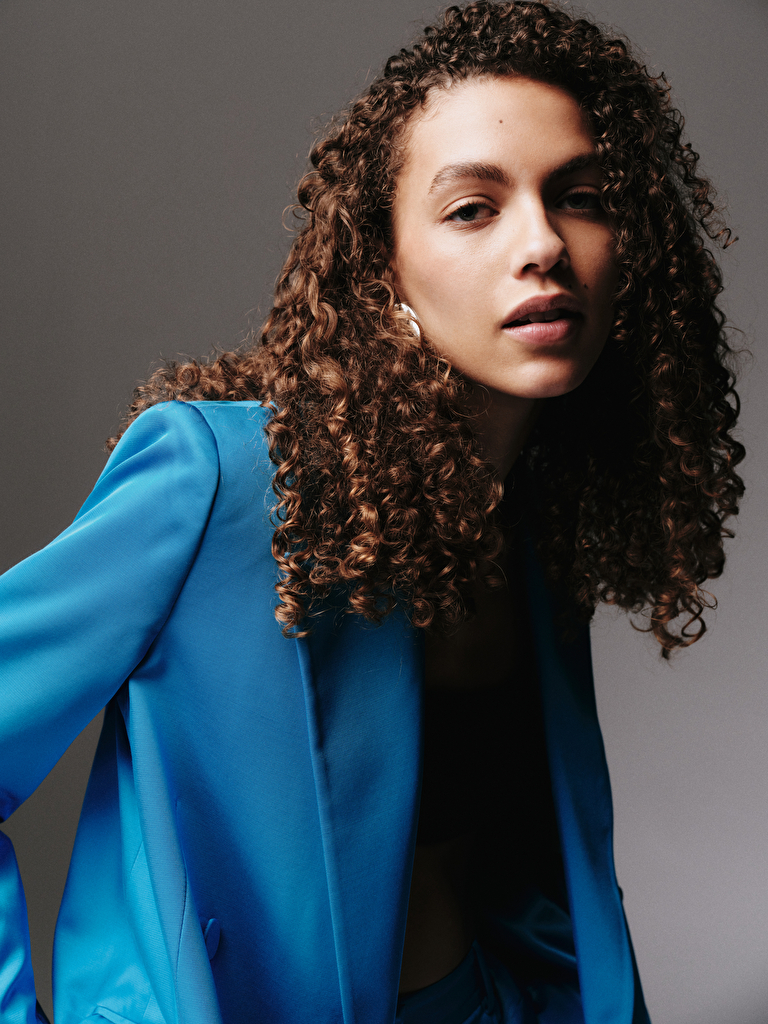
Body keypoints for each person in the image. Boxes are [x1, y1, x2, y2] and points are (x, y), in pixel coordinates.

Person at [0, 1, 744, 1022]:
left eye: (580, 198)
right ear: (383, 269)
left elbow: (531, 869)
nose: (542, 244)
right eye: (473, 208)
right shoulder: (217, 478)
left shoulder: (539, 521)